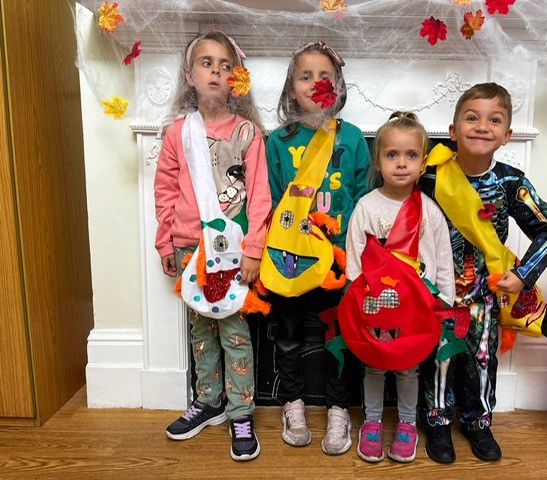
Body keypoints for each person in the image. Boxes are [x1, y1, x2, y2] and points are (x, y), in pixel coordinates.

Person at [419, 82, 547, 463]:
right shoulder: (429, 177)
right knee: (440, 356)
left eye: (494, 120)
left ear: (507, 136)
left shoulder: (510, 182)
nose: (482, 126)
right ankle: (436, 421)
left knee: (482, 358)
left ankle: (478, 421)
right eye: (472, 117)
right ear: (452, 132)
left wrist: (524, 275)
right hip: (438, 292)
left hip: (484, 292)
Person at [153, 31, 271, 461]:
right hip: (190, 247)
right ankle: (209, 401)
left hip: (233, 249)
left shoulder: (248, 132)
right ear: (190, 75)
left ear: (237, 78)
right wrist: (165, 239)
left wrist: (255, 249)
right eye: (206, 63)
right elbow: (164, 191)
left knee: (235, 332)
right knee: (201, 330)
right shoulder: (177, 134)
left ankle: (241, 411)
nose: (216, 71)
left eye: (225, 65)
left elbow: (260, 196)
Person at [265, 41, 370, 455]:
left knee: (337, 335)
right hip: (290, 256)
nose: (314, 83)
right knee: (287, 332)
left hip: (339, 256)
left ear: (338, 86)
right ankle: (292, 403)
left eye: (324, 76)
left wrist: (357, 255)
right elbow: (272, 202)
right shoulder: (279, 140)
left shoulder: (354, 138)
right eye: (305, 76)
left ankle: (339, 408)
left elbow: (363, 199)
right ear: (291, 88)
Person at [344, 112, 455, 463]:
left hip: (416, 309)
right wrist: (356, 302)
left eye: (411, 155)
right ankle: (372, 423)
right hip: (376, 306)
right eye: (392, 155)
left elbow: (442, 259)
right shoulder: (366, 206)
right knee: (374, 366)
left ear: (423, 162)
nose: (401, 164)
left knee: (409, 367)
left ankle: (407, 424)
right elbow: (355, 259)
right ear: (378, 161)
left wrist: (446, 302)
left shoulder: (430, 211)